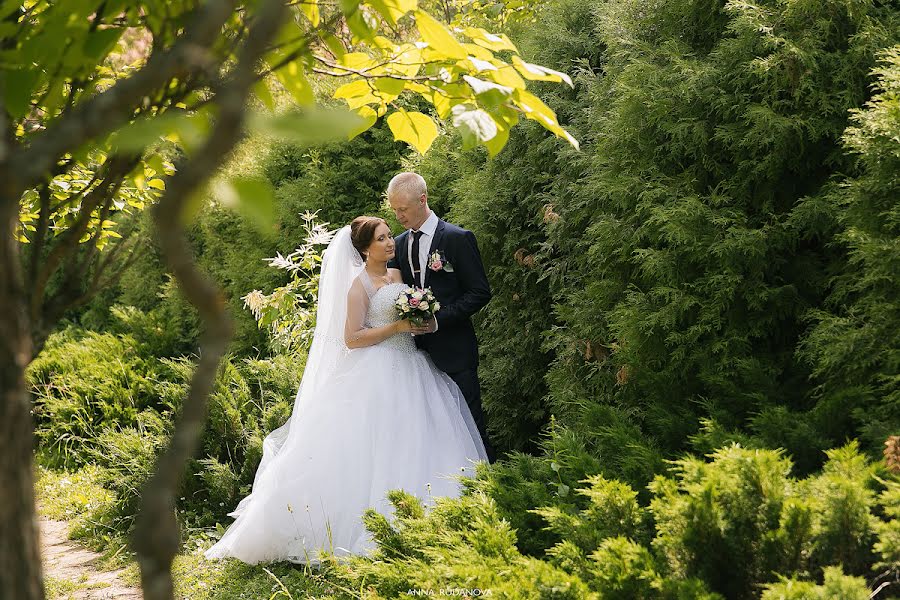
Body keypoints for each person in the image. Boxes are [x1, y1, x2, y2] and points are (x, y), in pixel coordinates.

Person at [203, 216, 487, 565]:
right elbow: (351, 338)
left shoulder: (397, 275)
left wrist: (417, 323)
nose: (389, 243)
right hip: (379, 369)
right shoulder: (358, 286)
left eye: (388, 237)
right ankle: (376, 525)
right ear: (365, 249)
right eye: (381, 239)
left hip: (413, 365)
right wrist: (398, 325)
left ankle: (439, 516)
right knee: (374, 446)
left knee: (418, 436)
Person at [387, 172, 496, 463]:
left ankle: (488, 488)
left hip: (455, 353)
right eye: (394, 209)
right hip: (415, 360)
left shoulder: (458, 239)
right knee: (431, 434)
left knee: (470, 427)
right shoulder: (398, 244)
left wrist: (439, 320)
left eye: (403, 209)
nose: (398, 215)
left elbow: (479, 292)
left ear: (422, 200)